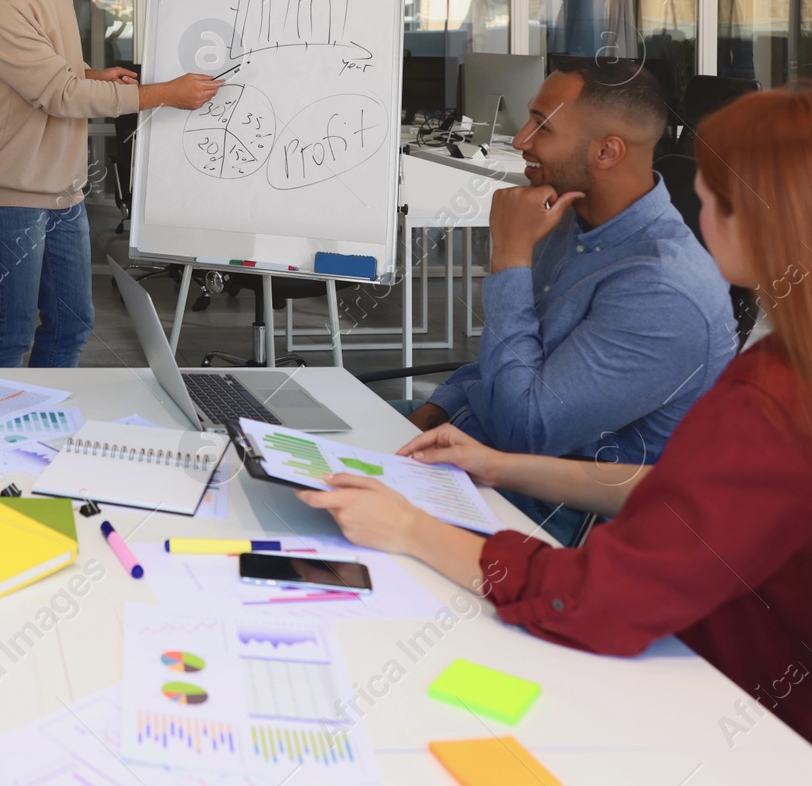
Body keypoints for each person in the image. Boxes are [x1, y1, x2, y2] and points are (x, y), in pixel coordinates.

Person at [298, 83, 812, 742]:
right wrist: (500, 463)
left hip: (736, 710)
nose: (696, 211)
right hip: (566, 528)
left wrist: (412, 530)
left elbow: (602, 595)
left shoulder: (747, 376)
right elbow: (678, 489)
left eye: (708, 197)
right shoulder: (778, 370)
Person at [406, 58, 736, 540]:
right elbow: (503, 364)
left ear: (607, 152)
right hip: (464, 439)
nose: (521, 140)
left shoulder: (665, 291)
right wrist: (425, 414)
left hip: (546, 512)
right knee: (275, 447)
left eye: (542, 126)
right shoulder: (568, 218)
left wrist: (511, 256)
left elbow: (524, 435)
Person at [0, 0, 223, 368]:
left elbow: (57, 68)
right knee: (11, 335)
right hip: (11, 193)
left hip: (62, 186)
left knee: (73, 321)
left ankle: (44, 424)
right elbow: (58, 94)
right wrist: (163, 93)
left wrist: (91, 73)